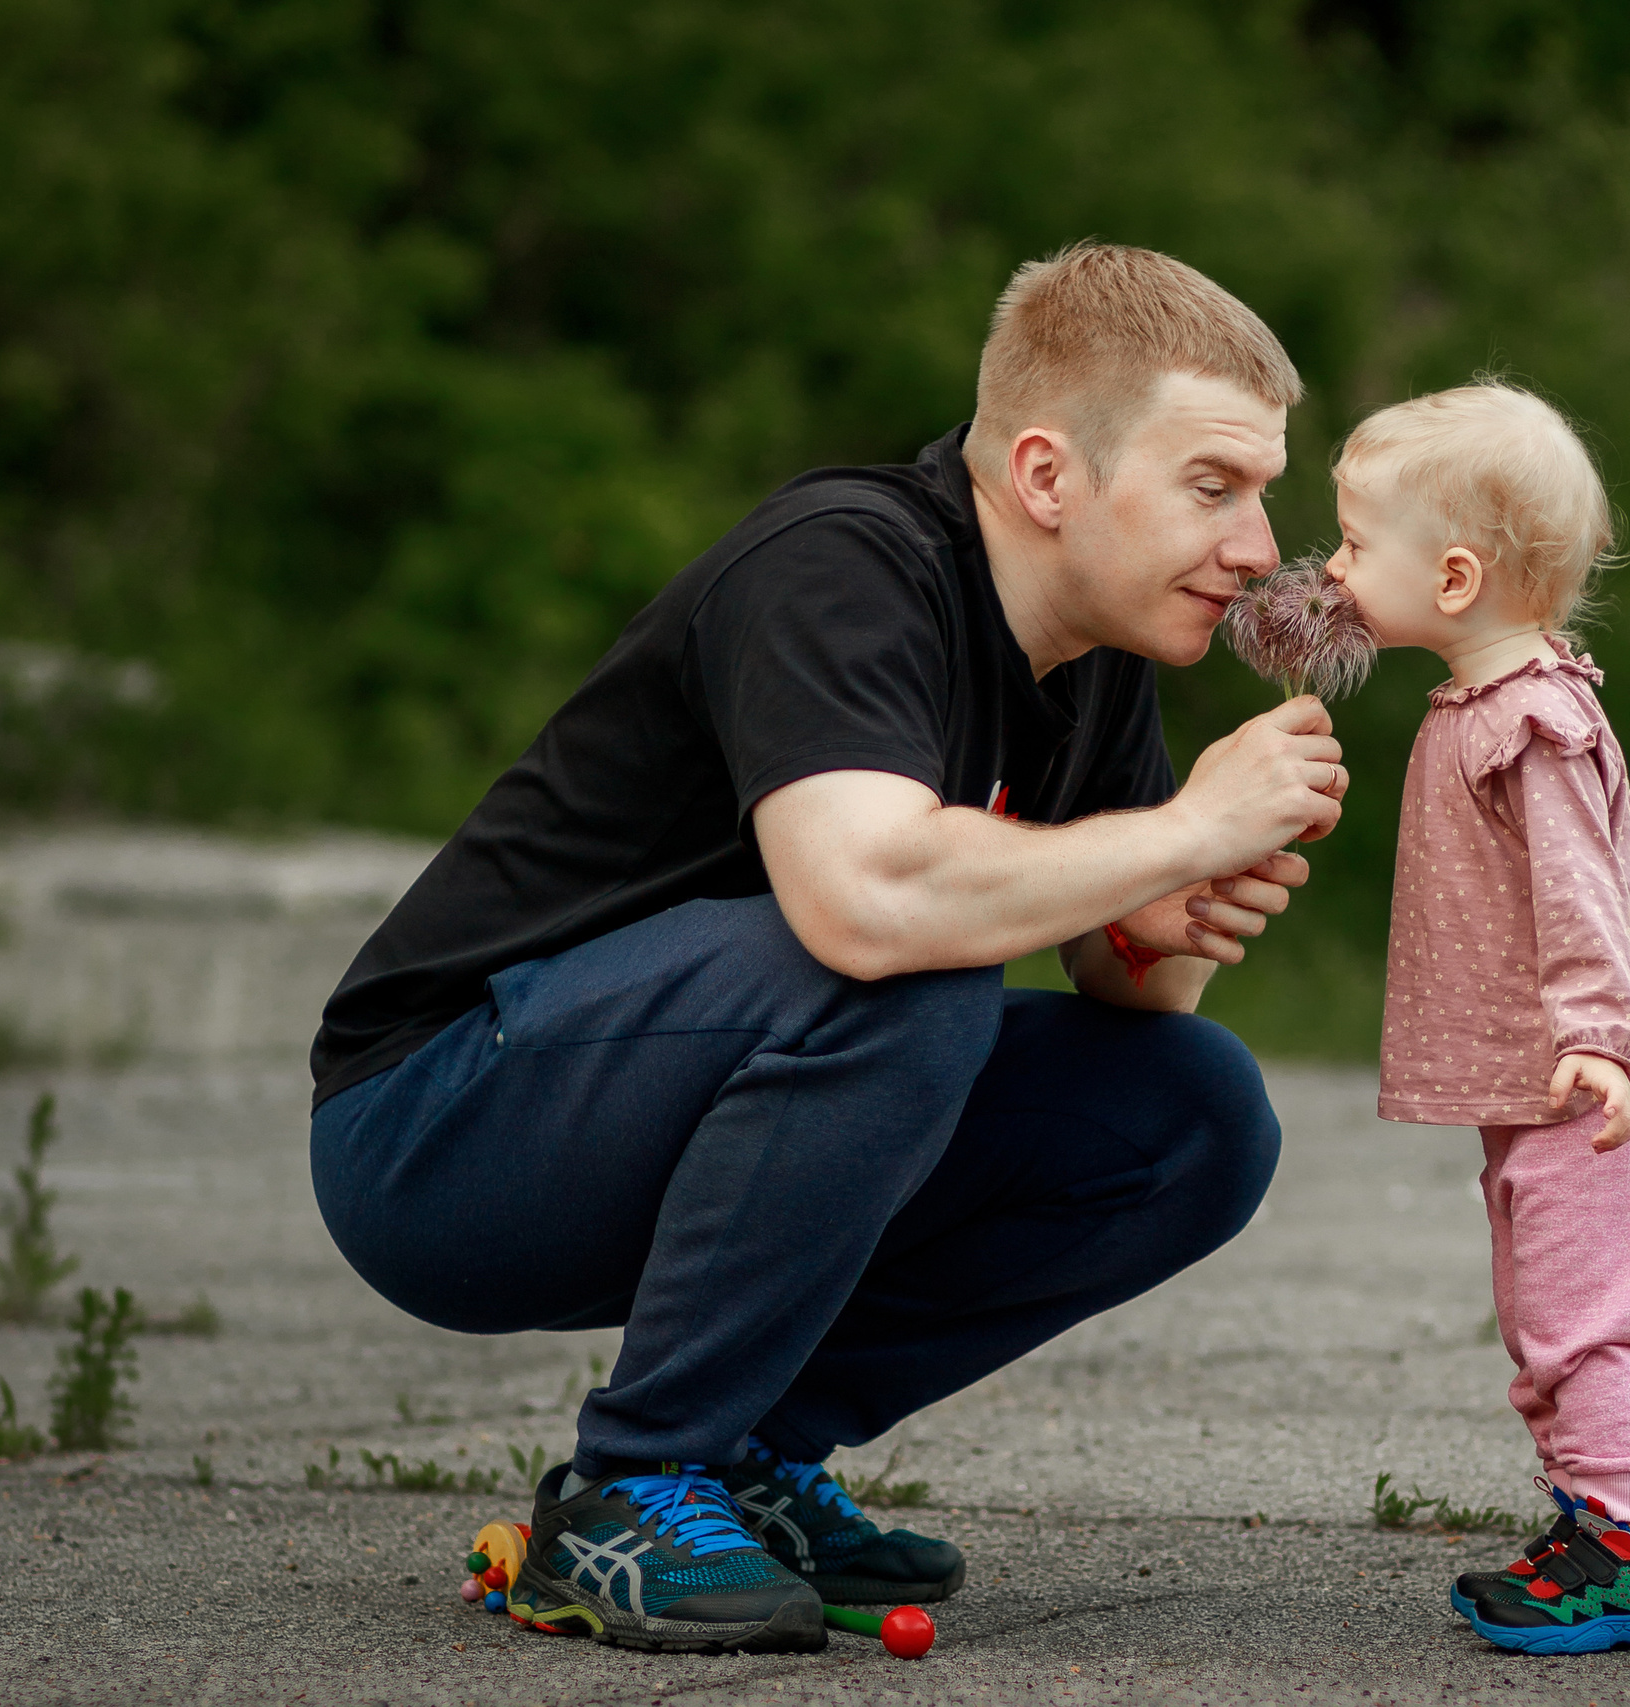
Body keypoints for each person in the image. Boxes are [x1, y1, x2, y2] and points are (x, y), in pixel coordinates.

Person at [307, 244, 1350, 1654]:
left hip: (676, 1100)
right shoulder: (845, 563)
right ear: (1047, 477)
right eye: (1213, 486)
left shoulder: (1100, 658)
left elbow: (1135, 990)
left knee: (1197, 1111)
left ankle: (743, 1456)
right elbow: (865, 902)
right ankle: (630, 1484)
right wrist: (1178, 832)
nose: (1254, 543)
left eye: (1264, 493)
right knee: (909, 962)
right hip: (438, 1126)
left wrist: (1163, 907)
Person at [1319, 381, 1630, 1655]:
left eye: (1349, 543)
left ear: (1451, 579)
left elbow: (1583, 894)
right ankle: (1595, 1522)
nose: (1329, 567)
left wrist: (1597, 1039)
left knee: (1577, 1319)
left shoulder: (1534, 722)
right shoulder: (1484, 705)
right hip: (1552, 1075)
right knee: (1539, 1308)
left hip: (1600, 1074)